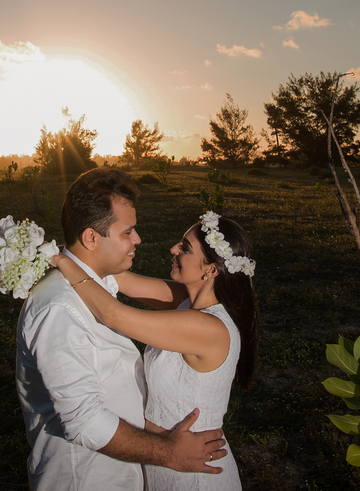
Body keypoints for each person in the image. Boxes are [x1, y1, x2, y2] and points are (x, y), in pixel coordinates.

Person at [16, 167, 228, 490]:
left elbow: (185, 298)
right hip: (86, 478)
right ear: (90, 237)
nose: (137, 239)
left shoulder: (99, 283)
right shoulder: (59, 307)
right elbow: (86, 422)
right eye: (127, 232)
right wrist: (169, 452)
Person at [50, 209, 260, 491]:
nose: (173, 249)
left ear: (211, 270)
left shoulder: (209, 328)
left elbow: (113, 314)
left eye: (184, 248)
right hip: (167, 459)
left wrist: (62, 261)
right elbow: (120, 278)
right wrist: (65, 249)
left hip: (194, 473)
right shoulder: (186, 301)